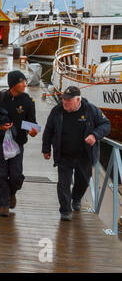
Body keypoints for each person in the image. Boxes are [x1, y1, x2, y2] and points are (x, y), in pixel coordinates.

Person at [42, 86, 110, 221]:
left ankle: (77, 198)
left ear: (78, 100)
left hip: (85, 155)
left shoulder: (90, 110)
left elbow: (106, 125)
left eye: (68, 100)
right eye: (63, 99)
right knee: (63, 184)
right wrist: (46, 149)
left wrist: (94, 135)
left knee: (83, 181)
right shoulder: (57, 111)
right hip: (64, 154)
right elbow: (49, 129)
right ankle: (65, 210)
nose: (64, 102)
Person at [0, 70, 38, 217]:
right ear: (13, 84)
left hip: (17, 144)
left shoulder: (28, 101)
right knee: (0, 175)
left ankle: (11, 193)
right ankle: (3, 204)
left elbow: (33, 124)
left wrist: (33, 131)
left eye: (25, 81)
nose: (25, 84)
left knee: (16, 176)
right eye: (22, 81)